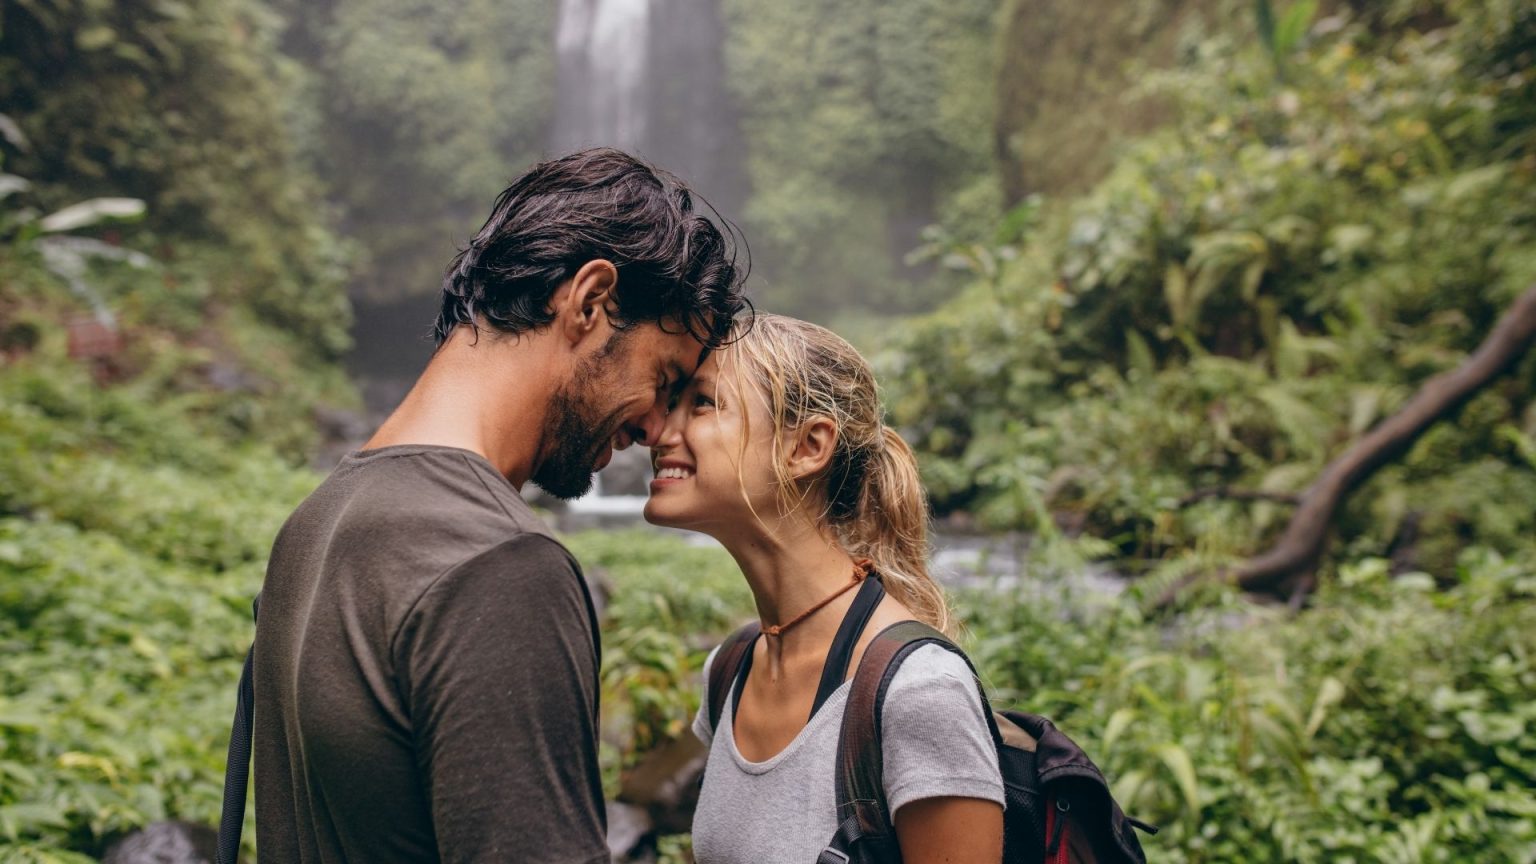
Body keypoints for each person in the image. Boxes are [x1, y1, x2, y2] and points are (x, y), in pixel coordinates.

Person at [251, 148, 749, 863]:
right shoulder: (500, 567)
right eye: (664, 377)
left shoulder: (314, 523)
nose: (654, 429)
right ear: (587, 302)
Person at [643, 313, 1005, 863]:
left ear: (807, 446)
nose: (660, 432)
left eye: (702, 403)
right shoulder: (730, 670)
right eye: (672, 404)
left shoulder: (918, 690)